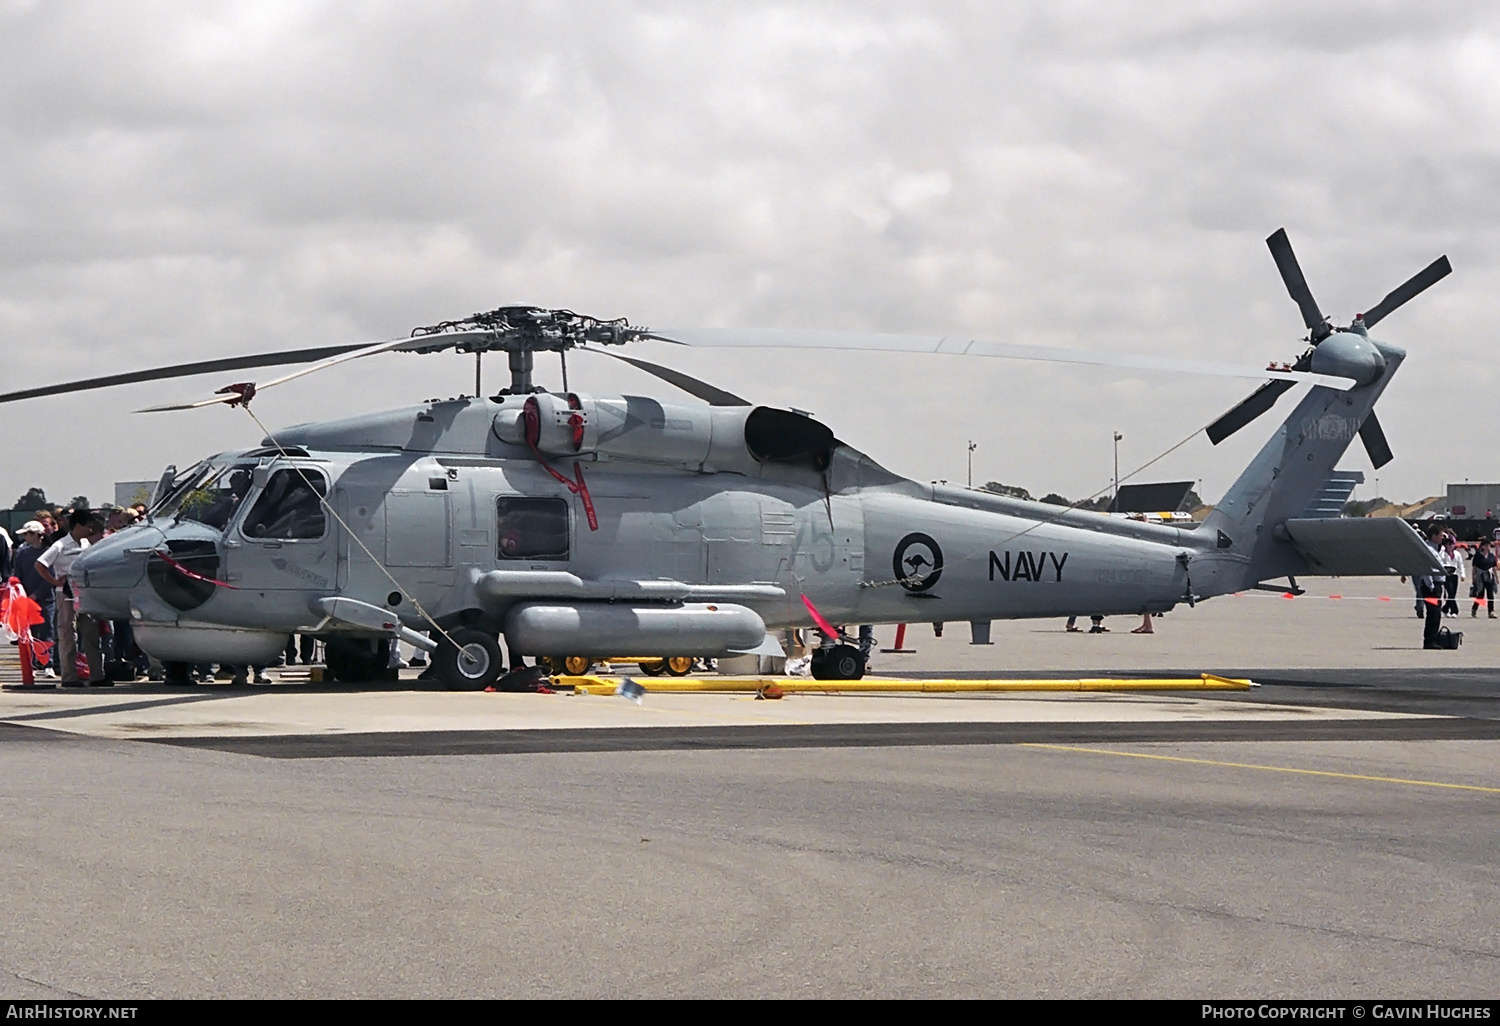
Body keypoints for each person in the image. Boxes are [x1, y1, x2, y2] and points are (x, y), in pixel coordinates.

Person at [34, 510, 101, 685]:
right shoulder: (60, 545)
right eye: (88, 526)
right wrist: (55, 581)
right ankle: (69, 676)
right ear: (78, 526)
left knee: (91, 633)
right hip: (66, 595)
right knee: (68, 634)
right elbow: (40, 564)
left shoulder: (87, 544)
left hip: (85, 594)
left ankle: (97, 675)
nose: (90, 529)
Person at [12, 521, 54, 677]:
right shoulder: (23, 553)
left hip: (46, 599)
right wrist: (21, 592)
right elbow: (18, 574)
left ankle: (47, 663)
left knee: (47, 631)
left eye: (27, 534)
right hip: (26, 599)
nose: (24, 537)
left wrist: (37, 594)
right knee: (30, 633)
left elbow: (50, 577)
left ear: (37, 535)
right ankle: (33, 664)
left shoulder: (49, 552)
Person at [1418, 527, 1448, 649]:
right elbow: (1427, 569)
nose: (1443, 538)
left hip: (1437, 584)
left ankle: (1432, 639)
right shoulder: (1429, 549)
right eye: (1441, 535)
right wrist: (1430, 585)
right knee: (1434, 614)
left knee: (1435, 614)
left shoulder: (1436, 549)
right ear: (1433, 536)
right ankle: (1429, 641)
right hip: (1431, 586)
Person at [1440, 533, 1465, 617]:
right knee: (1450, 592)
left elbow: (1460, 564)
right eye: (1448, 544)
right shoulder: (1442, 554)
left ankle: (1445, 608)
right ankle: (1454, 611)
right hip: (1446, 575)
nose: (1450, 546)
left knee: (1453, 593)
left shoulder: (1457, 554)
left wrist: (1462, 574)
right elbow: (1440, 563)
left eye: (1452, 544)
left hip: (1454, 575)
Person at [1472, 539, 1498, 618]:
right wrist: (1473, 578)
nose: (1488, 547)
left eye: (1489, 545)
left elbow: (1494, 568)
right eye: (1486, 545)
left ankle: (1491, 611)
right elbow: (1474, 568)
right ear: (1482, 546)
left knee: (1490, 594)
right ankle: (1474, 609)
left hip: (1489, 576)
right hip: (1480, 576)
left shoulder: (1491, 556)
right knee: (1480, 595)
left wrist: (1497, 578)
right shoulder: (1478, 556)